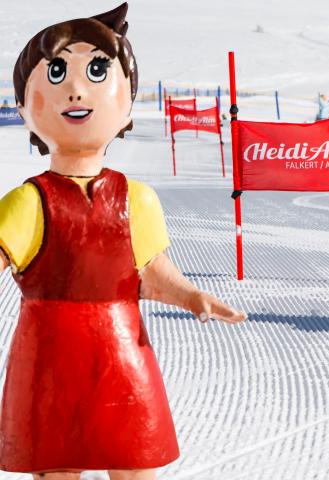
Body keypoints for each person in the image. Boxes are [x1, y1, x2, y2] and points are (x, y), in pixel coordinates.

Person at [0, 4, 246, 479]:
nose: (75, 89)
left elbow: (153, 273)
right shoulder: (27, 202)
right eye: (56, 71)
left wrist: (190, 294)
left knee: (135, 461)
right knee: (57, 467)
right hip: (48, 360)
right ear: (25, 105)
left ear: (127, 101)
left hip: (122, 353)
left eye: (97, 69)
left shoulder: (139, 200)